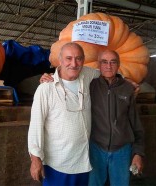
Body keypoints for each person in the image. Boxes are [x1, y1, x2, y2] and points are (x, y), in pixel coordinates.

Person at [27, 42, 101, 186]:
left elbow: (108, 72)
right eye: (68, 58)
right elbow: (36, 125)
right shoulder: (46, 88)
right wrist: (35, 158)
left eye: (78, 58)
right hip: (57, 164)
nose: (74, 64)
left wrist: (126, 80)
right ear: (60, 60)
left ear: (84, 60)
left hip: (83, 161)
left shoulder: (87, 75)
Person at [88, 49, 144, 186]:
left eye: (113, 62)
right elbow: (68, 78)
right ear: (98, 65)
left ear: (118, 65)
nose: (108, 66)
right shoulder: (90, 85)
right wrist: (50, 78)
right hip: (96, 147)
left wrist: (138, 153)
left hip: (122, 151)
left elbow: (136, 125)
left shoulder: (127, 88)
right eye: (104, 62)